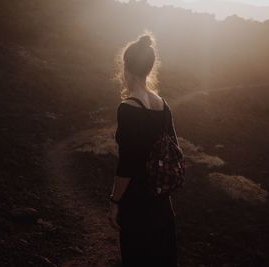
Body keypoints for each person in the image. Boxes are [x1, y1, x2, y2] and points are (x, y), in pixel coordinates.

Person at [108, 32, 178, 267]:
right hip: (161, 203)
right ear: (149, 68)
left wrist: (115, 201)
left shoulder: (127, 108)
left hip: (137, 203)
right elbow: (174, 150)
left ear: (126, 68)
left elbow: (127, 164)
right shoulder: (163, 105)